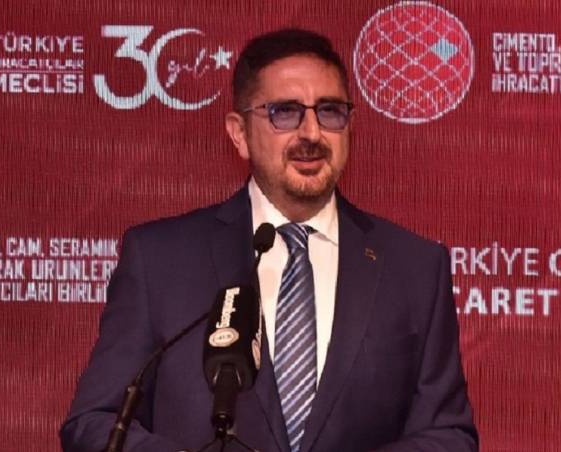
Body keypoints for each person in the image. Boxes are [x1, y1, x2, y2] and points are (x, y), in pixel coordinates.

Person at [61, 28, 478, 452]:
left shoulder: (414, 268)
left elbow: (449, 436)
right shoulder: (160, 260)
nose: (311, 133)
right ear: (239, 133)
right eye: (285, 112)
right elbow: (96, 421)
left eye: (330, 111)